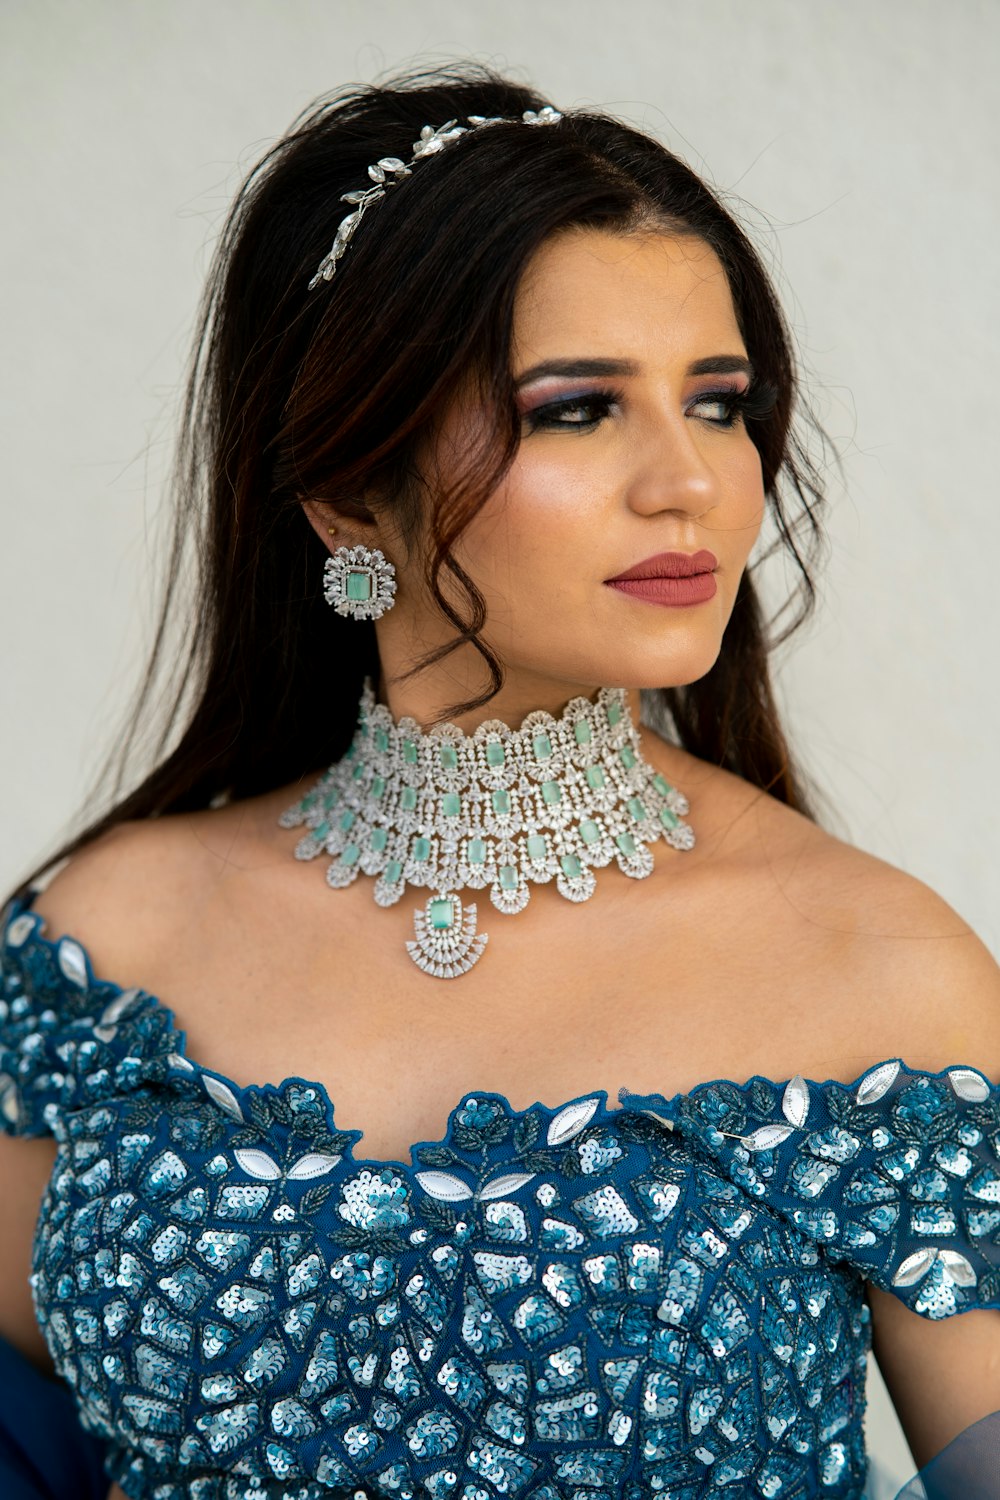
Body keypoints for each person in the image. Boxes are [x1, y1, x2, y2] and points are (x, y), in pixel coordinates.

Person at [1, 62, 997, 1500]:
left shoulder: (883, 977)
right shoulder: (107, 949)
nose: (693, 483)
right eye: (579, 409)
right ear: (348, 492)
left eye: (720, 405)